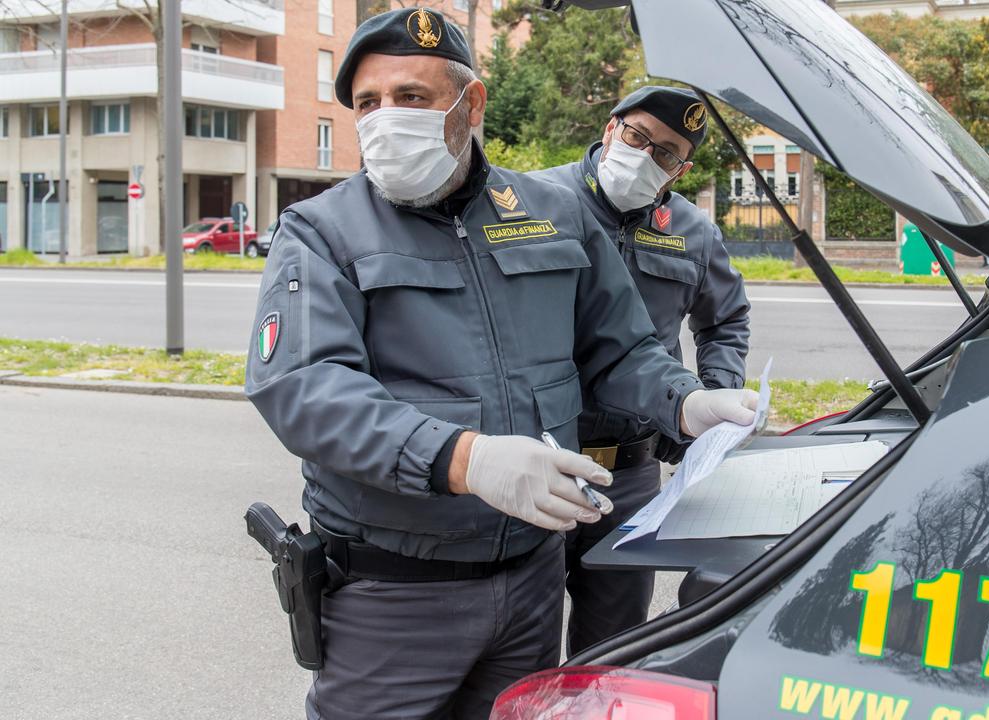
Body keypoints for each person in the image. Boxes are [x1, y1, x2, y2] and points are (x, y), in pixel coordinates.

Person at [243, 9, 757, 720]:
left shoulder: (551, 211)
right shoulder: (320, 230)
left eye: (412, 97)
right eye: (368, 103)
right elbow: (302, 386)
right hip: (396, 593)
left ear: (470, 103)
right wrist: (463, 459)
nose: (385, 119)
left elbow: (619, 348)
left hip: (530, 582)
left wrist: (685, 402)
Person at [531, 86, 751, 655]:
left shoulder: (693, 232)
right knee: (520, 646)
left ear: (681, 168)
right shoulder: (532, 200)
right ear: (610, 129)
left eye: (667, 152)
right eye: (637, 137)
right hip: (540, 458)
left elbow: (725, 321)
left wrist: (710, 405)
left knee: (612, 648)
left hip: (631, 475)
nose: (647, 155)